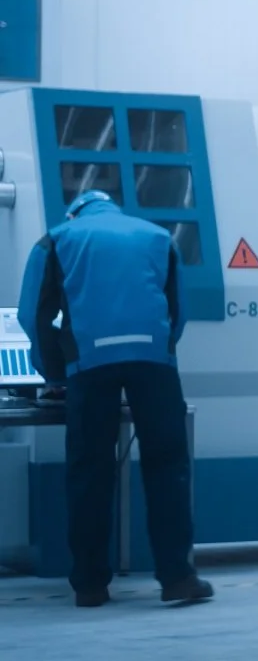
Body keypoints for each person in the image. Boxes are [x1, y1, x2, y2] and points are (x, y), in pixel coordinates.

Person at [19, 190, 213, 608]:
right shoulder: (158, 237)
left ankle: (90, 585)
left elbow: (31, 314)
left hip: (90, 363)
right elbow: (177, 312)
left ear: (75, 211)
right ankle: (177, 578)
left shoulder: (57, 238)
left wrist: (54, 373)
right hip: (154, 363)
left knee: (90, 470)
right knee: (168, 467)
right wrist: (160, 352)